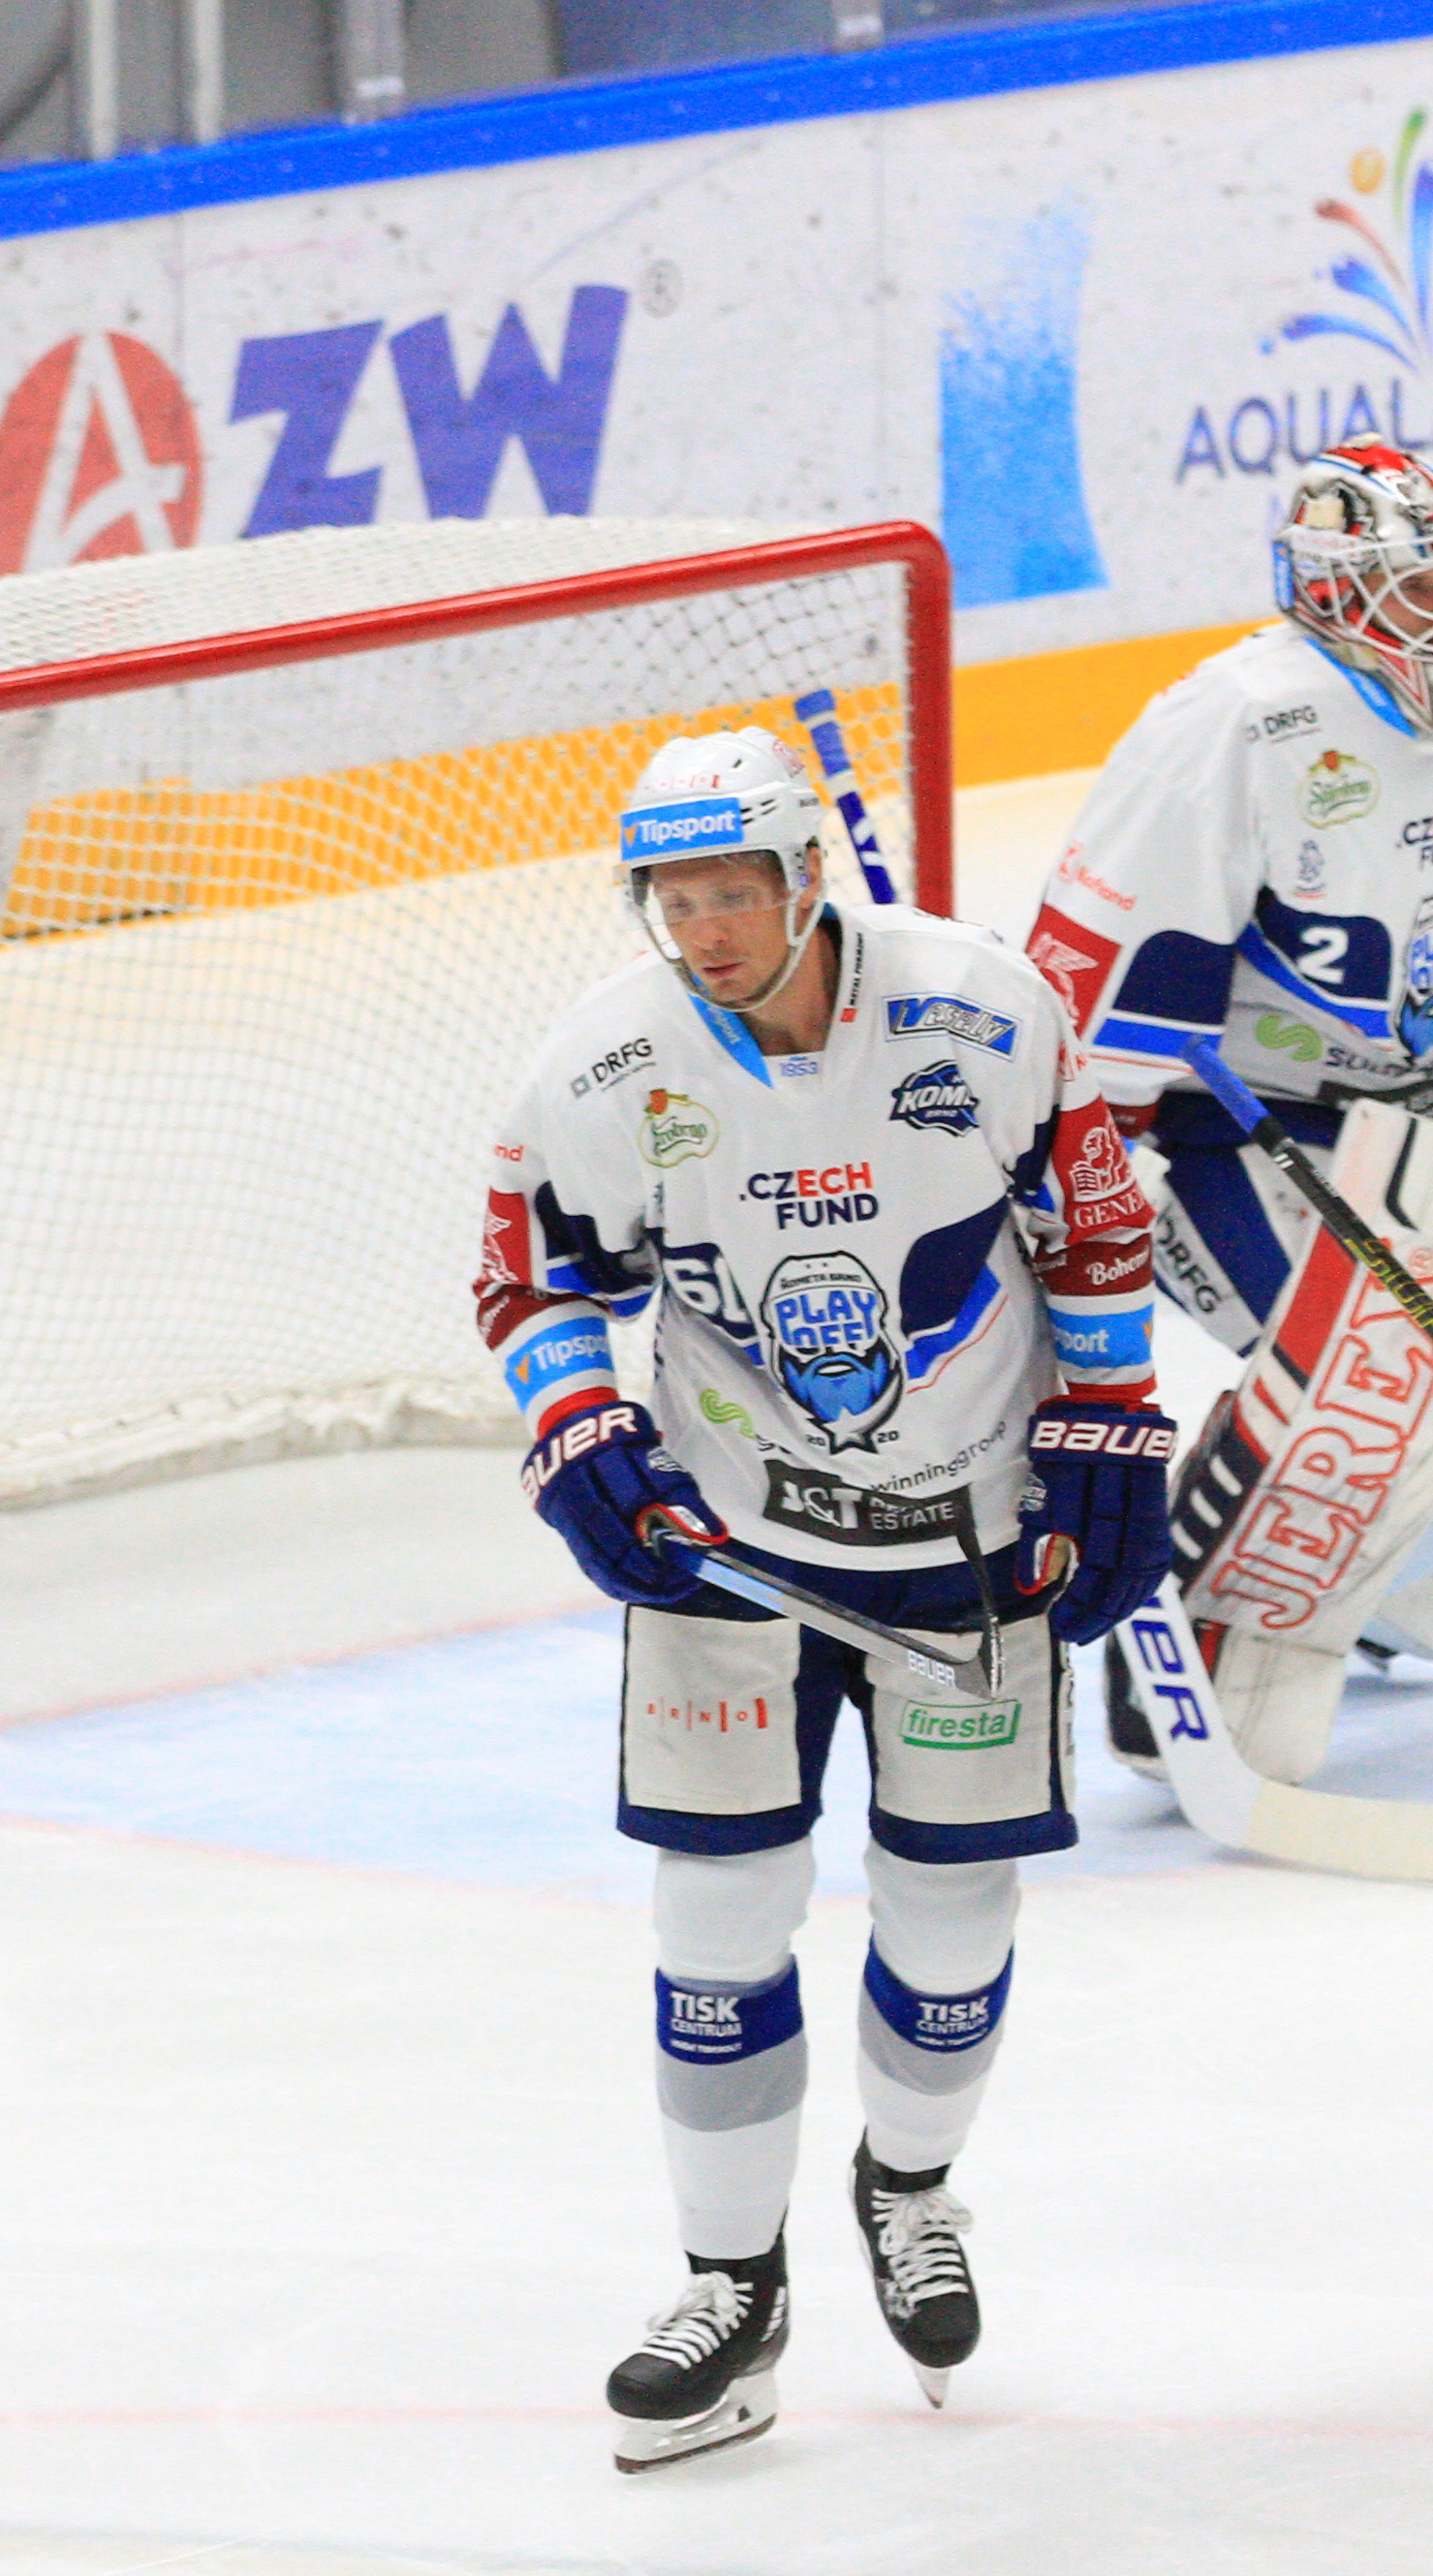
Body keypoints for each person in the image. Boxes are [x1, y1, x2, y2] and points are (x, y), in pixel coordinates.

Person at [478, 730, 1173, 2469]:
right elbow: (532, 1273)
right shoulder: (608, 1064)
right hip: (732, 1550)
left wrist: (1107, 1416)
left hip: (970, 1542)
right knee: (718, 1917)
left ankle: (910, 2185)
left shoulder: (982, 1013)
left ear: (805, 877)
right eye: (675, 897)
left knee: (951, 1918)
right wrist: (578, 1424)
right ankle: (732, 2287)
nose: (704, 930)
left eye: (733, 891)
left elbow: (1094, 1229)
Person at [1026, 441, 1433, 1786]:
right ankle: (1173, 1659)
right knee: (1354, 1380)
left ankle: (1378, 1589)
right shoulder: (1238, 723)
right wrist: (1091, 1188)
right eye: (1411, 585)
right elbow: (1093, 983)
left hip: (1428, 1111)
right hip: (1232, 1130)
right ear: (1329, 591)